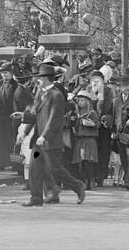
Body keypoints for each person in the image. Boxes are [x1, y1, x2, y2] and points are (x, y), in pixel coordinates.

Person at [22, 62, 84, 207]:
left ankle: (77, 186)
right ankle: (36, 197)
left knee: (54, 169)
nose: (36, 80)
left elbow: (54, 119)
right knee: (35, 168)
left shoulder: (56, 95)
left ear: (45, 78)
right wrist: (24, 131)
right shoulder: (40, 92)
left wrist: (44, 135)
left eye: (38, 77)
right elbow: (34, 113)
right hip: (38, 141)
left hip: (50, 140)